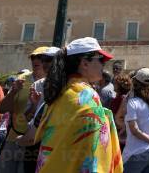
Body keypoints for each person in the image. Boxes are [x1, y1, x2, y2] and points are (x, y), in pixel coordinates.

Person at [34, 37, 122, 172]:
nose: (103, 65)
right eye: (101, 60)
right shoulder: (87, 95)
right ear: (85, 63)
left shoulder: (61, 91)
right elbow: (95, 154)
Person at [0, 46, 50, 173]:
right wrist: (13, 92)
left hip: (37, 142)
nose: (35, 60)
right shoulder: (22, 79)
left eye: (40, 58)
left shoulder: (54, 83)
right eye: (33, 57)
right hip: (13, 138)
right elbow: (2, 109)